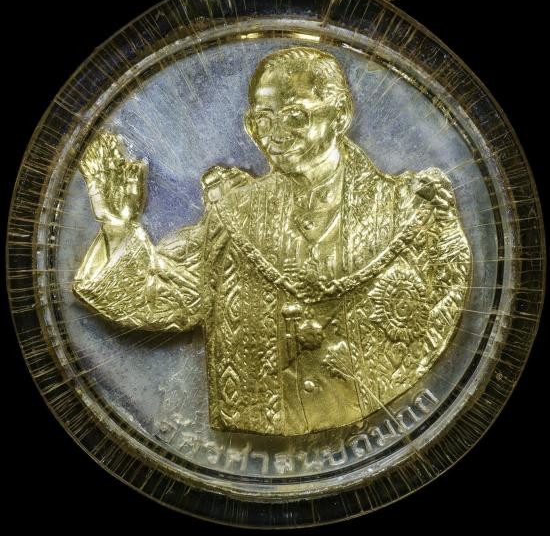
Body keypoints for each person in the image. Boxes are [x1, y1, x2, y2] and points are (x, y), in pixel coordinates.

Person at [74, 46, 471, 436]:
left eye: (295, 116)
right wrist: (117, 227)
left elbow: (440, 323)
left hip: (373, 424)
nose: (275, 135)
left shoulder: (410, 211)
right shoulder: (235, 213)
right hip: (257, 428)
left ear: (340, 115)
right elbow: (166, 299)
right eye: (263, 120)